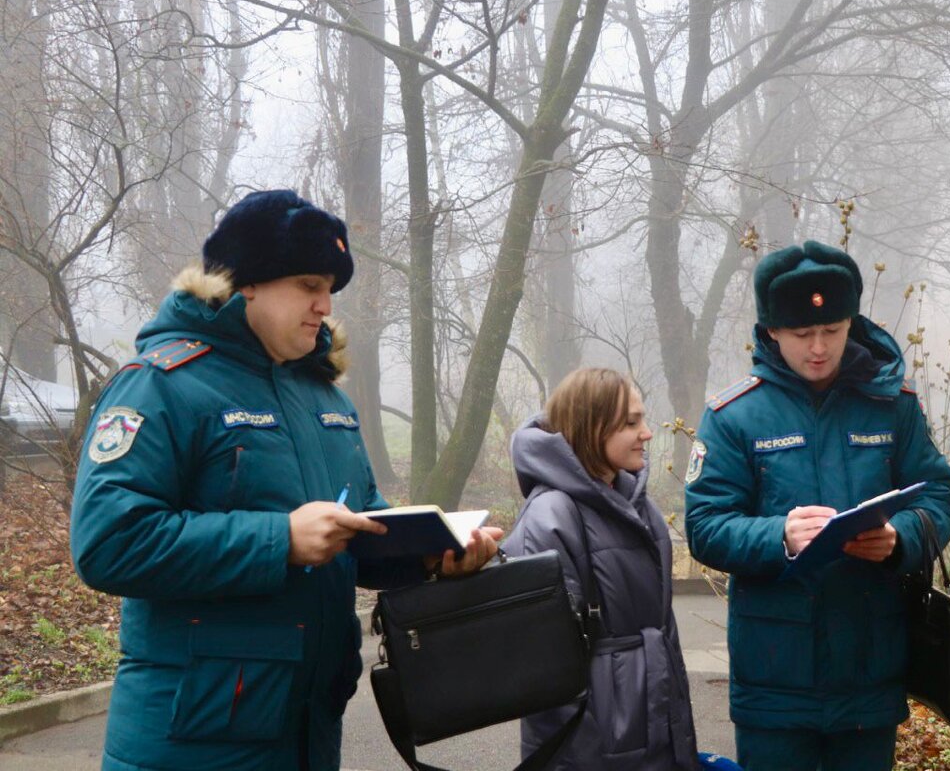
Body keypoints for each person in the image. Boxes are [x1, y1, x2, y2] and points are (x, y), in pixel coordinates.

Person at [70, 189, 501, 771]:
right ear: (247, 281)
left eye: (329, 289)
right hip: (191, 740)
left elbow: (359, 524)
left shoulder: (322, 397)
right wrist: (280, 540)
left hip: (309, 728)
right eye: (308, 285)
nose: (325, 306)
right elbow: (108, 543)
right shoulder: (160, 384)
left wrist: (429, 555)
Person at [684, 241, 950, 771]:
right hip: (774, 679)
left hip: (870, 668)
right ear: (771, 333)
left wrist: (902, 537)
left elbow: (940, 494)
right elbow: (704, 525)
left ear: (850, 323)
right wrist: (778, 535)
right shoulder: (733, 416)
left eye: (832, 331)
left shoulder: (892, 404)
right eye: (802, 334)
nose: (819, 347)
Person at [503, 368, 701, 771]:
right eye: (631, 422)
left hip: (660, 741)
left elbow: (663, 635)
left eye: (643, 419)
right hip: (592, 752)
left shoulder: (640, 506)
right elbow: (545, 673)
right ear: (591, 426)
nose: (647, 433)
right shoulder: (551, 517)